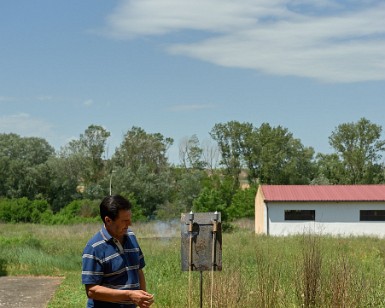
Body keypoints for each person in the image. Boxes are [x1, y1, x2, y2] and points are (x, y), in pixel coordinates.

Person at [82, 195, 154, 308]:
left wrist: (143, 300)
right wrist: (129, 295)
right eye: (125, 220)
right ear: (108, 220)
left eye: (130, 219)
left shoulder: (131, 237)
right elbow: (92, 291)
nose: (130, 224)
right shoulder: (94, 248)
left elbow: (138, 270)